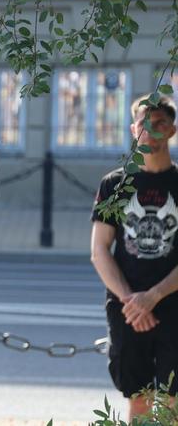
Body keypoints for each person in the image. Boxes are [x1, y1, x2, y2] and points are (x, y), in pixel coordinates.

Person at [91, 94, 178, 421]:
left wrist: (153, 297)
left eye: (160, 125)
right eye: (145, 124)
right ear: (133, 129)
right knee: (139, 399)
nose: (151, 132)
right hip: (127, 307)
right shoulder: (115, 184)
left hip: (173, 304)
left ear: (172, 130)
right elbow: (99, 251)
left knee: (171, 401)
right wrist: (133, 301)